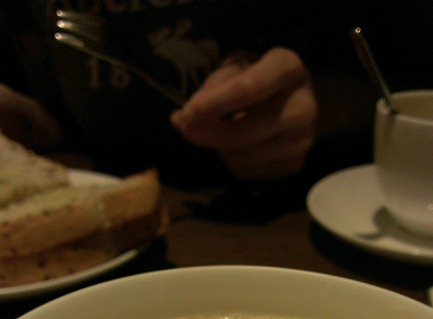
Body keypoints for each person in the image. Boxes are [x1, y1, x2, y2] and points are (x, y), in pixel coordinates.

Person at [0, 1, 431, 188]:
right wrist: (26, 116)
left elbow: (410, 85)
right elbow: (40, 92)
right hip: (89, 186)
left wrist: (327, 103)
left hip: (293, 212)